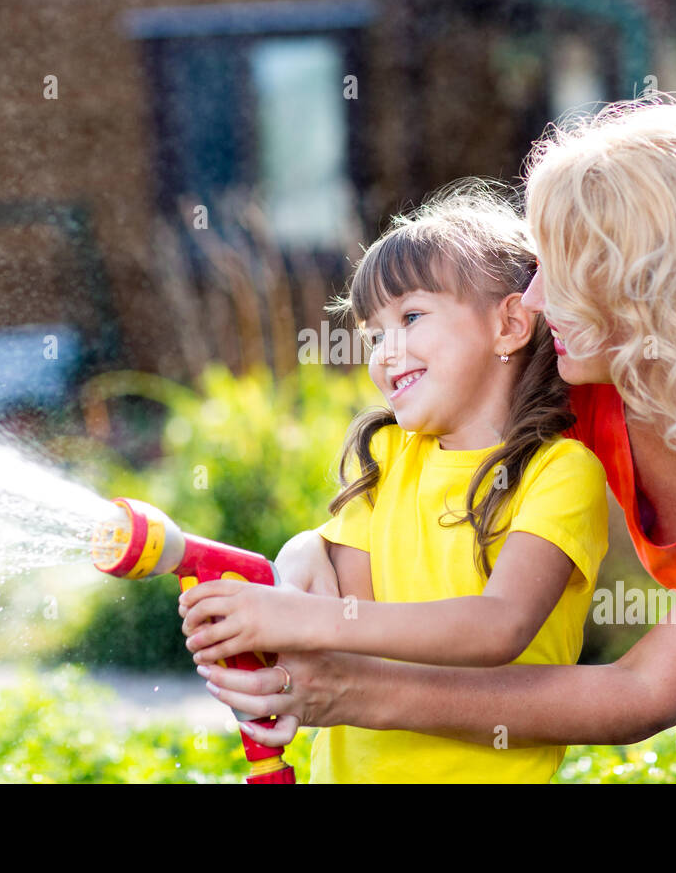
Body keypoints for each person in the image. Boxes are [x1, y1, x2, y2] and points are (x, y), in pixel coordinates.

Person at [180, 96, 676, 783]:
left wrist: (346, 692)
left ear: (658, 287)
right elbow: (407, 482)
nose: (533, 296)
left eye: (565, 266)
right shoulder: (586, 365)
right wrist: (302, 580)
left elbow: (640, 693)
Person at [179, 182, 609, 782]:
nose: (386, 351)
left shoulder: (560, 474)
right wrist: (280, 628)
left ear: (510, 324)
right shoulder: (385, 457)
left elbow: (499, 626)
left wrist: (291, 617)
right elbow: (351, 632)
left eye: (410, 317)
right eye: (374, 333)